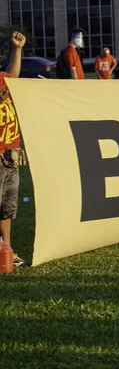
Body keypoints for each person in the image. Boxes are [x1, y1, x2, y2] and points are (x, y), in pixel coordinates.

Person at [0, 32, 27, 267]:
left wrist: (17, 49)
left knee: (7, 209)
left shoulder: (2, 79)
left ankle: (7, 249)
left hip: (10, 155)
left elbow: (13, 78)